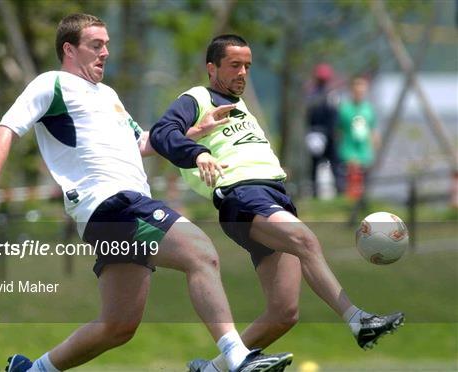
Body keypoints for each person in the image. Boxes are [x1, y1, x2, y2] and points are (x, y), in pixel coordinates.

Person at [0, 15, 293, 372]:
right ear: (69, 49)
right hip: (113, 203)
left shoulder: (108, 95)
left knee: (118, 326)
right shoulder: (52, 83)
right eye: (96, 45)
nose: (105, 52)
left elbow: (141, 142)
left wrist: (197, 129)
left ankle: (32, 370)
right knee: (200, 253)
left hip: (112, 215)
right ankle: (236, 358)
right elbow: (5, 131)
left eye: (106, 44)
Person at [149, 34, 404, 372]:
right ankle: (358, 320)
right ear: (212, 68)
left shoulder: (241, 107)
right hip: (242, 197)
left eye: (248, 66)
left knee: (284, 314)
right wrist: (197, 154)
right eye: (234, 65)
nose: (242, 73)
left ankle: (211, 370)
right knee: (305, 240)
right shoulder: (198, 98)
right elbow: (162, 133)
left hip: (274, 196)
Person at [337, 75, 380, 200]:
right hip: (349, 151)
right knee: (350, 183)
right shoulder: (344, 109)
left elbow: (373, 130)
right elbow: (338, 131)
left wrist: (374, 148)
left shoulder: (369, 109)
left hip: (365, 152)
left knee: (364, 185)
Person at [305, 63, 343, 197]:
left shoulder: (328, 94)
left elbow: (335, 115)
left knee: (333, 164)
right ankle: (317, 192)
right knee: (319, 164)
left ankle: (339, 190)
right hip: (318, 133)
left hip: (326, 134)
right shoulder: (313, 94)